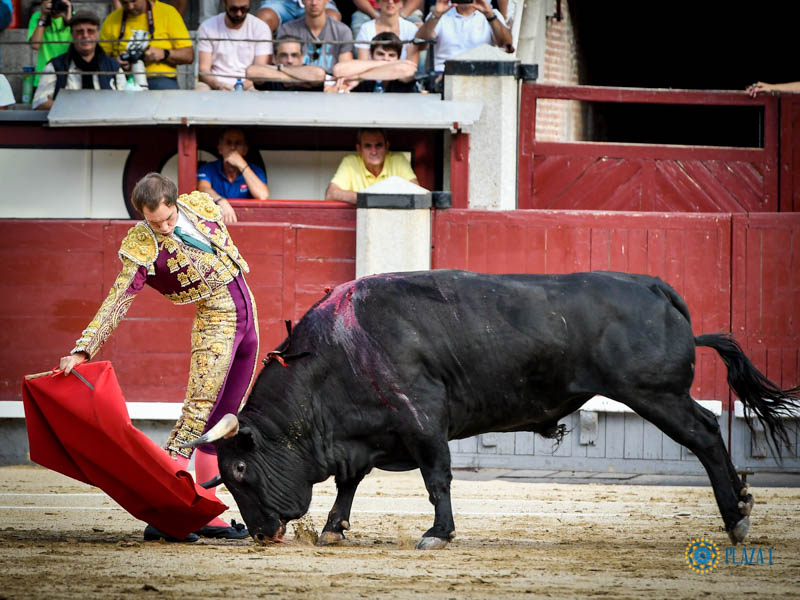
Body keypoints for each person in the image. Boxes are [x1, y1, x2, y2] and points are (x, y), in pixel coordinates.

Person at [58, 173, 258, 542]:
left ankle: (207, 510)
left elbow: (215, 213)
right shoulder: (143, 243)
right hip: (215, 325)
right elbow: (119, 297)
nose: (164, 228)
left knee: (222, 419)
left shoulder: (198, 205)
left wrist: (222, 199)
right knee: (195, 418)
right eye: (154, 222)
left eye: (168, 219)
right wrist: (84, 347)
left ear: (175, 202)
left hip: (248, 321)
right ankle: (166, 513)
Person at [33, 11, 127, 111]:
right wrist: (76, 109)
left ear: (97, 34)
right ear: (72, 34)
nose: (85, 35)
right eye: (79, 31)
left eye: (90, 31)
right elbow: (39, 102)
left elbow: (125, 102)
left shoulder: (114, 67)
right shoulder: (55, 66)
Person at [100, 0, 194, 90]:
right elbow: (100, 60)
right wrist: (115, 62)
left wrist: (164, 54)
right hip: (124, 79)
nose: (130, 7)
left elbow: (189, 56)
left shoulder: (167, 12)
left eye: (134, 1)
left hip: (159, 77)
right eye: (125, 3)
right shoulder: (111, 20)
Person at [416, 0, 512, 74]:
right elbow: (419, 44)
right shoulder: (440, 14)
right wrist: (436, 15)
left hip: (481, 73)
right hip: (444, 73)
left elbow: (507, 46)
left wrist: (490, 15)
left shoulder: (492, 14)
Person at [325, 128, 419, 203]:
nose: (374, 152)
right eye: (368, 146)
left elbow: (418, 194)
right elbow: (331, 194)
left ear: (386, 146)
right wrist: (366, 199)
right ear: (359, 149)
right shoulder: (350, 163)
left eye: (378, 145)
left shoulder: (398, 161)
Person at [196, 0, 272, 91]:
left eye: (244, 9)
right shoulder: (207, 27)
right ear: (224, 3)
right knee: (201, 90)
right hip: (215, 83)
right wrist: (218, 85)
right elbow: (204, 69)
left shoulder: (261, 28)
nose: (239, 13)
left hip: (249, 84)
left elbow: (260, 72)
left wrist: (240, 87)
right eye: (234, 9)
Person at [197, 127, 269, 223]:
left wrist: (242, 165)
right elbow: (203, 188)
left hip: (246, 223)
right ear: (220, 148)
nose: (233, 148)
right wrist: (220, 201)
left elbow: (263, 195)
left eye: (238, 143)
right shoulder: (208, 168)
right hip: (215, 224)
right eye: (228, 143)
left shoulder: (255, 170)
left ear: (245, 149)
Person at [276, 0, 353, 74]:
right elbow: (283, 67)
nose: (314, 3)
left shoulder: (342, 31)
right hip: (296, 80)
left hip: (331, 80)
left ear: (327, 1)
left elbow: (345, 70)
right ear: (302, 1)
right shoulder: (287, 30)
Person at [333, 32, 417, 93]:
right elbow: (339, 70)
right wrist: (390, 64)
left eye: (391, 55)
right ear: (371, 55)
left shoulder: (402, 72)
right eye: (380, 54)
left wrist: (359, 76)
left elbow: (408, 71)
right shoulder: (364, 72)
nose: (386, 58)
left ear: (398, 58)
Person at [247, 37, 328, 91]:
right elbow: (251, 72)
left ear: (302, 57)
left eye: (294, 55)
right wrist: (294, 78)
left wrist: (280, 69)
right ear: (274, 58)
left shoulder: (308, 71)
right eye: (284, 55)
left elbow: (319, 75)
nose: (289, 60)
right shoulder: (268, 73)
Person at [354, 0, 420, 65]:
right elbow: (363, 64)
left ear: (401, 3)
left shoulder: (411, 28)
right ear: (378, 2)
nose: (390, 1)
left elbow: (412, 67)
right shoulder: (366, 28)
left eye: (396, 0)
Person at [28, 0, 74, 89]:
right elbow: (35, 45)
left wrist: (69, 21)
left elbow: (80, 44)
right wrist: (43, 17)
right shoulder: (38, 17)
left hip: (68, 76)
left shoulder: (72, 17)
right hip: (44, 75)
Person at [256, 0, 341, 33]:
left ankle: (325, 62)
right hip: (280, 2)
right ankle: (266, 62)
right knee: (264, 17)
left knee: (332, 18)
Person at [351, 0, 423, 38]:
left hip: (403, 10)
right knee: (359, 29)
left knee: (421, 36)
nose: (390, 1)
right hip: (368, 11)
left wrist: (402, 16)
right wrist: (376, 16)